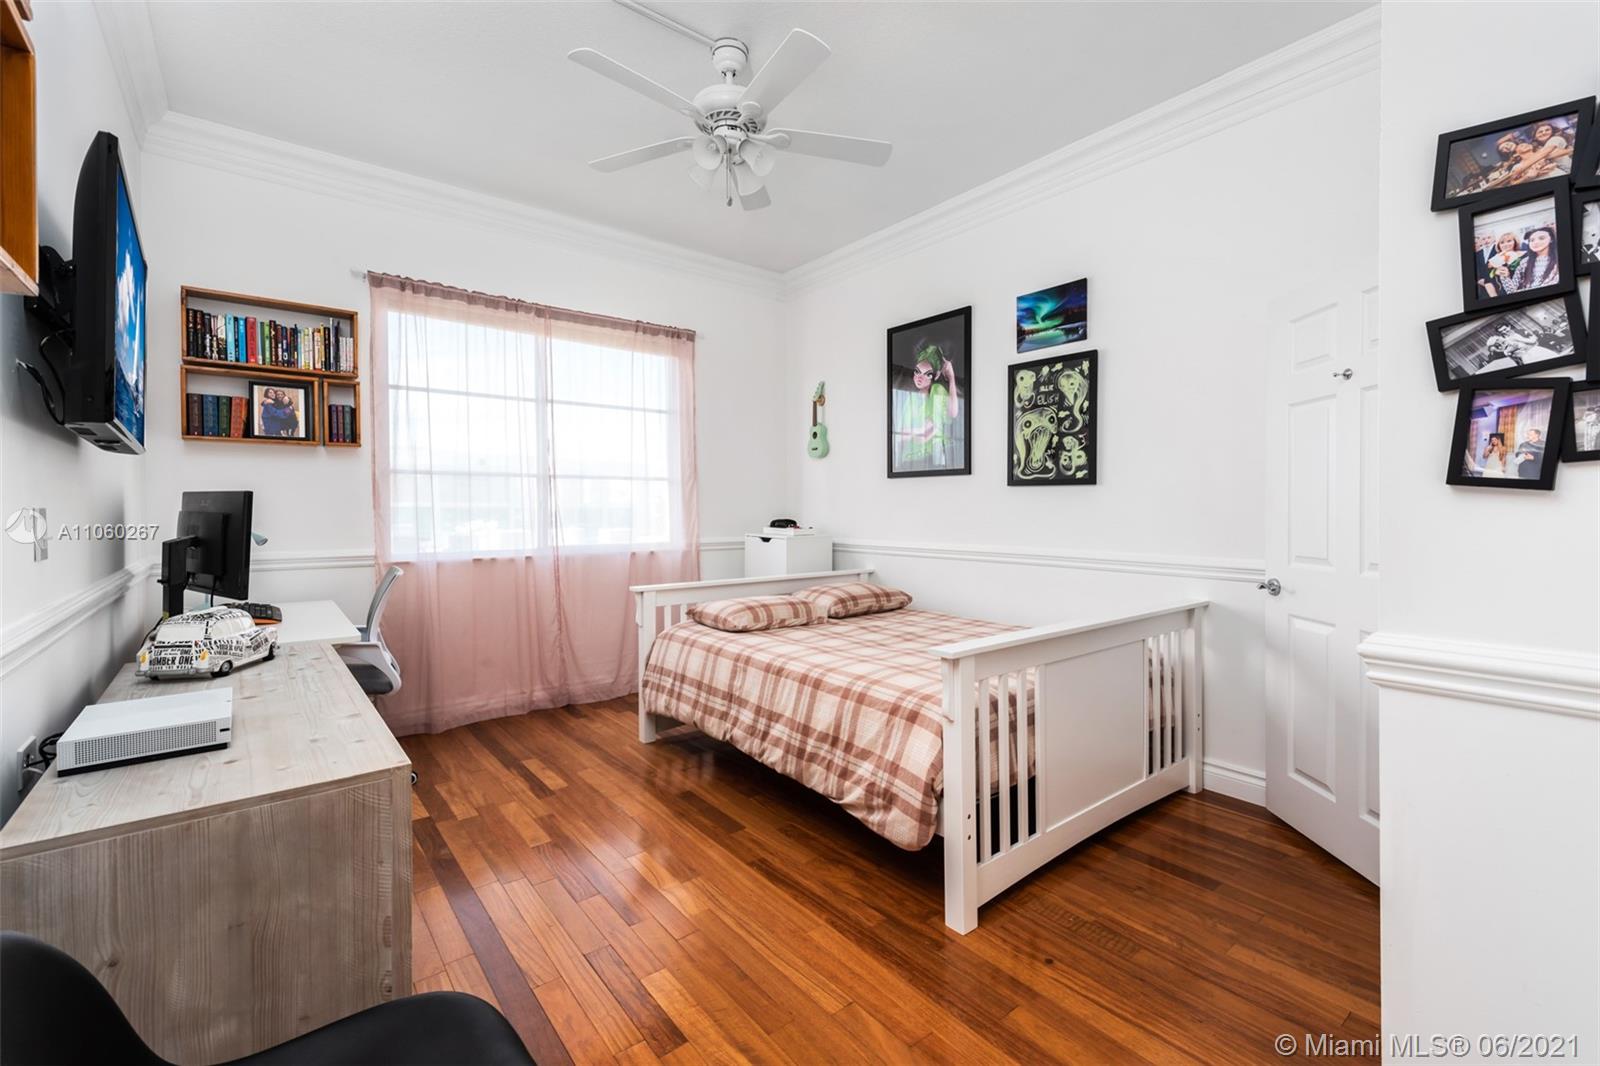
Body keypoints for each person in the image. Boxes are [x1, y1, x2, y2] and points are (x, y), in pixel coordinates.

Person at [1502, 226, 1560, 294]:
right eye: (1532, 240)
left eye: (1541, 238)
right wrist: (1505, 276)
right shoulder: (1524, 263)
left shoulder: (1558, 260)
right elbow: (1511, 291)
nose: (1536, 242)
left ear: (1551, 239)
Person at [1479, 232, 1526, 299]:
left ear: (1515, 242)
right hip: (1503, 296)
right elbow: (1487, 281)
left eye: (1509, 241)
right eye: (1502, 242)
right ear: (1499, 245)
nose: (1505, 244)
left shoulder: (1525, 255)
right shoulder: (1493, 260)